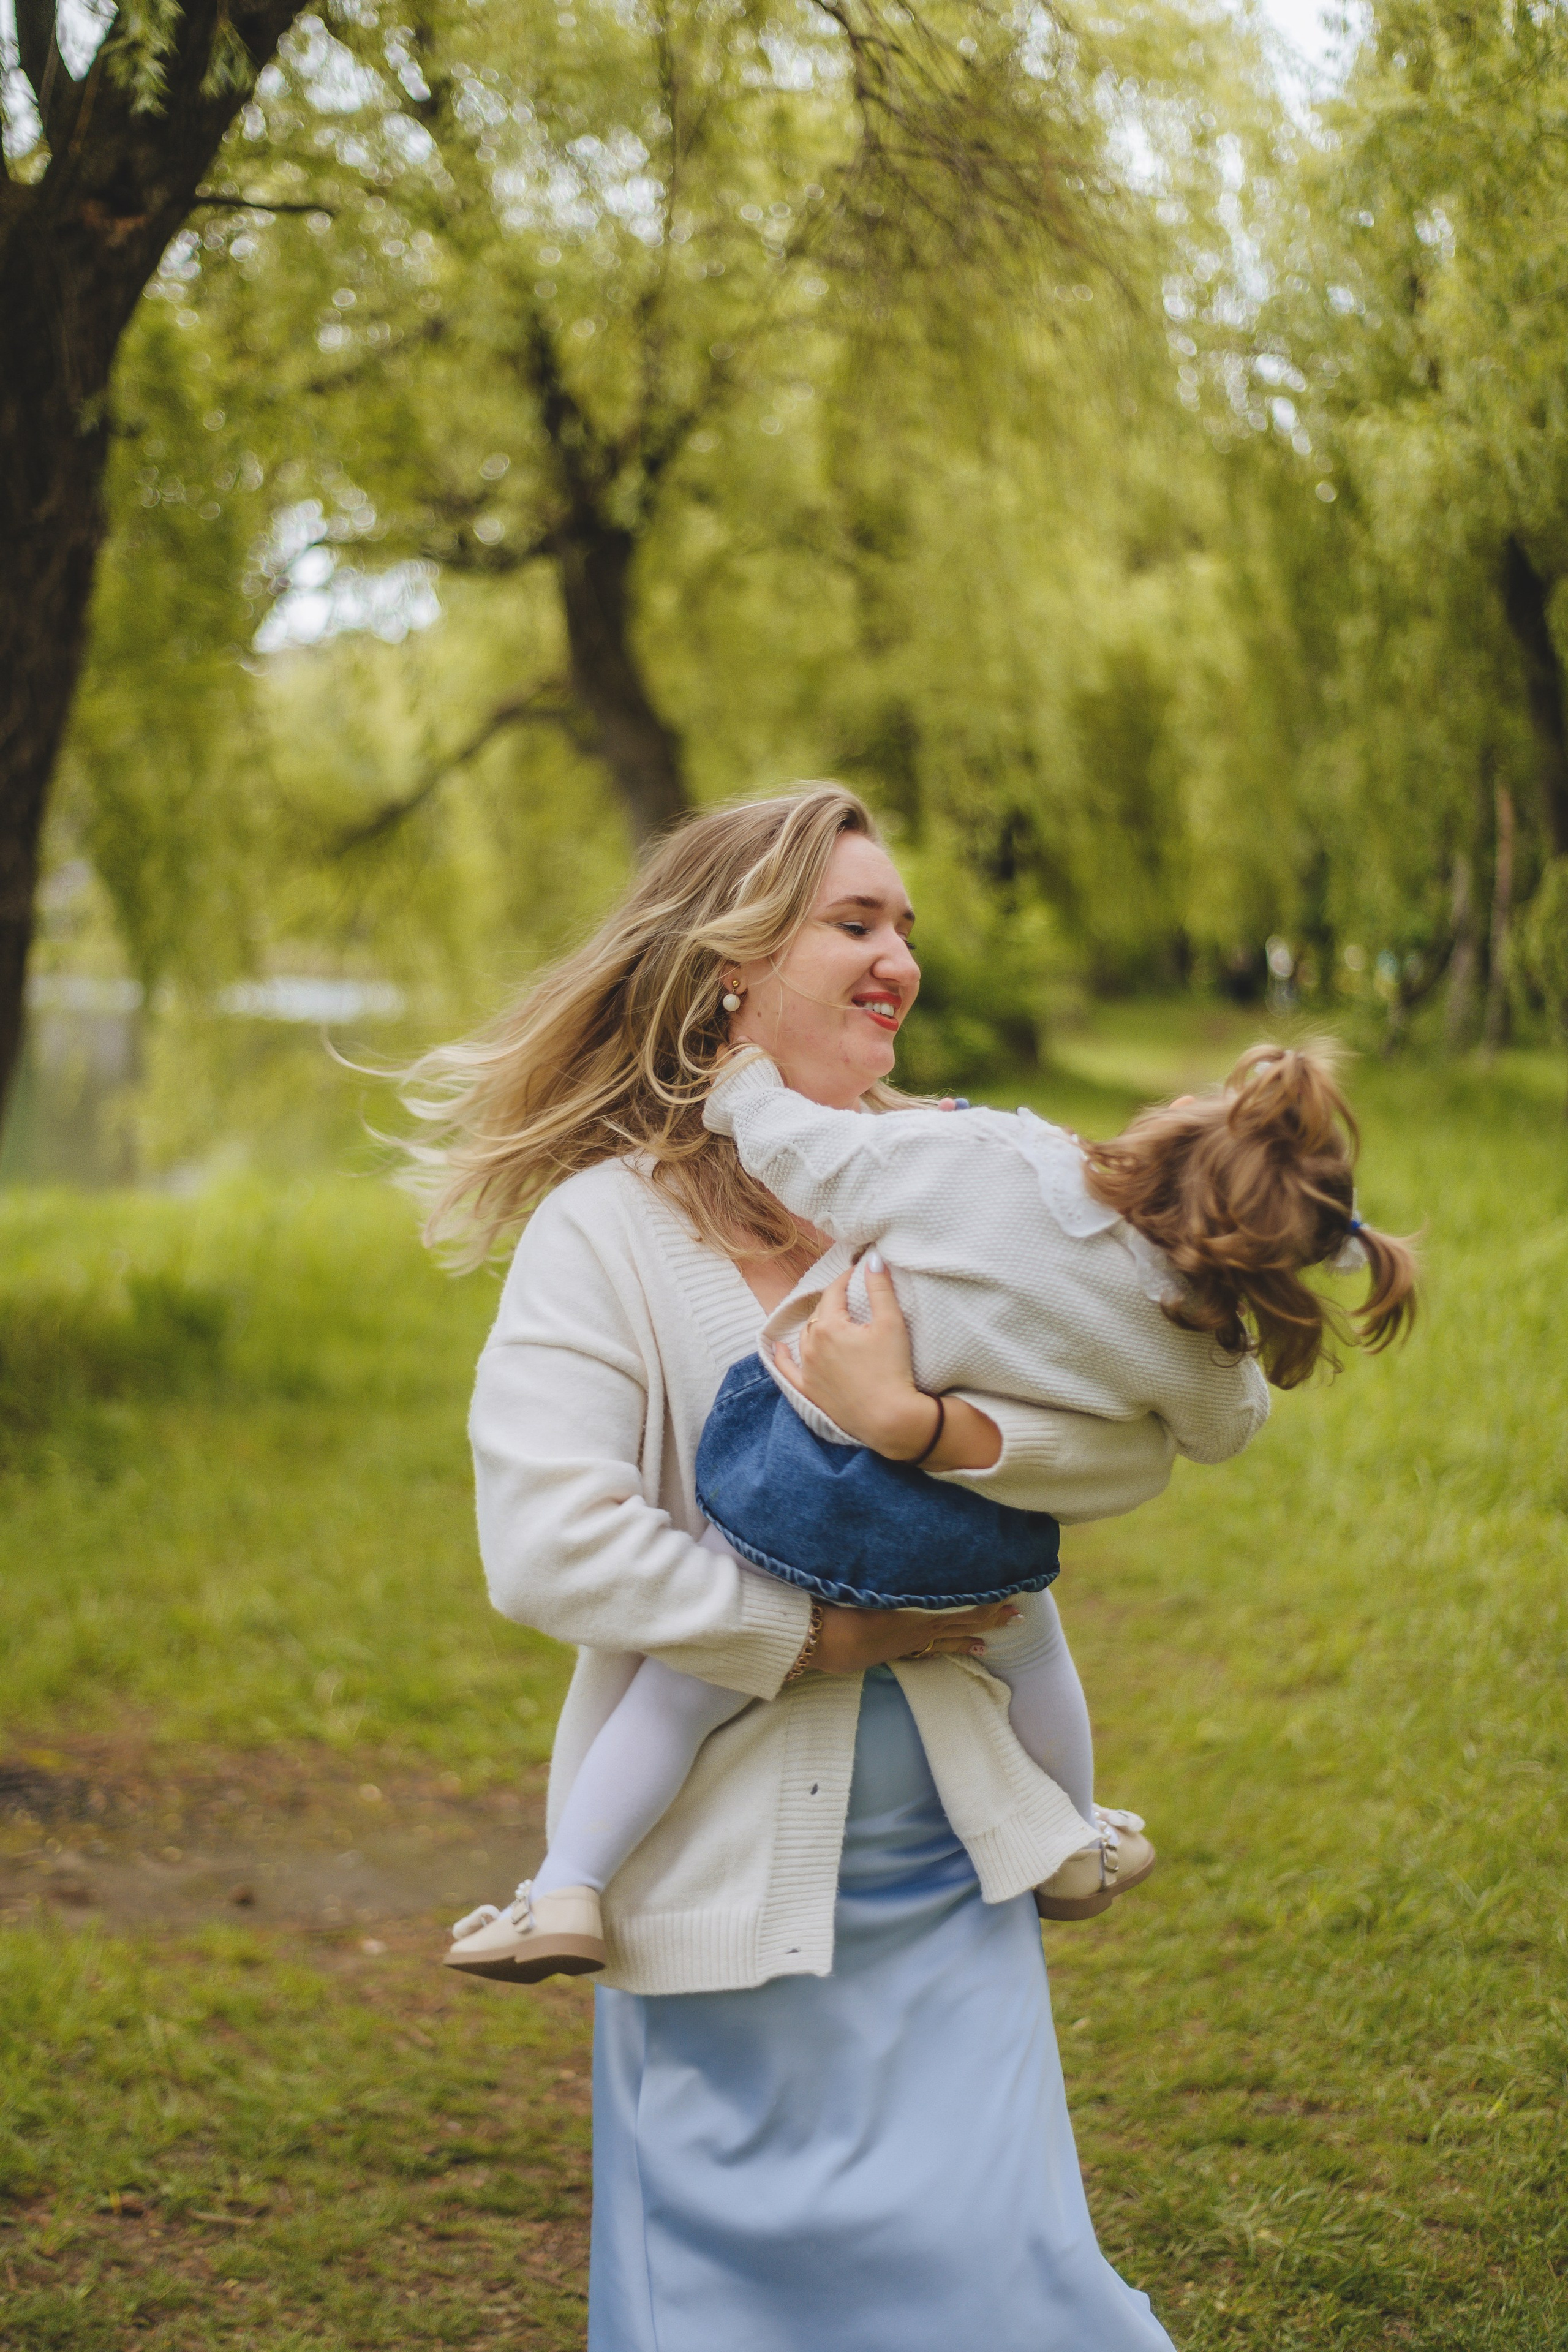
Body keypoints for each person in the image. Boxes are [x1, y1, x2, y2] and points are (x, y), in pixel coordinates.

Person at [408, 782, 1189, 2351]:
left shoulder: (972, 1168)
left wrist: (927, 1425)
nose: (899, 955)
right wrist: (807, 1634)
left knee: (1011, 2293)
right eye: (854, 921)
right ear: (729, 972)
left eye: (903, 923)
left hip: (955, 1876)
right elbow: (546, 1542)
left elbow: (1131, 1434)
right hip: (714, 1906)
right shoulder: (606, 1234)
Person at [445, 1035, 1414, 1977]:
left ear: (1170, 1131)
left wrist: (740, 1089)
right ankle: (1077, 1838)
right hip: (968, 1529)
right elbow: (1223, 1430)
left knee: (676, 1695)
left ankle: (569, 1887)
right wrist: (1216, 1335)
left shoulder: (993, 1165)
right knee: (1032, 1647)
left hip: (803, 1481)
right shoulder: (1188, 1332)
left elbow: (821, 1158)